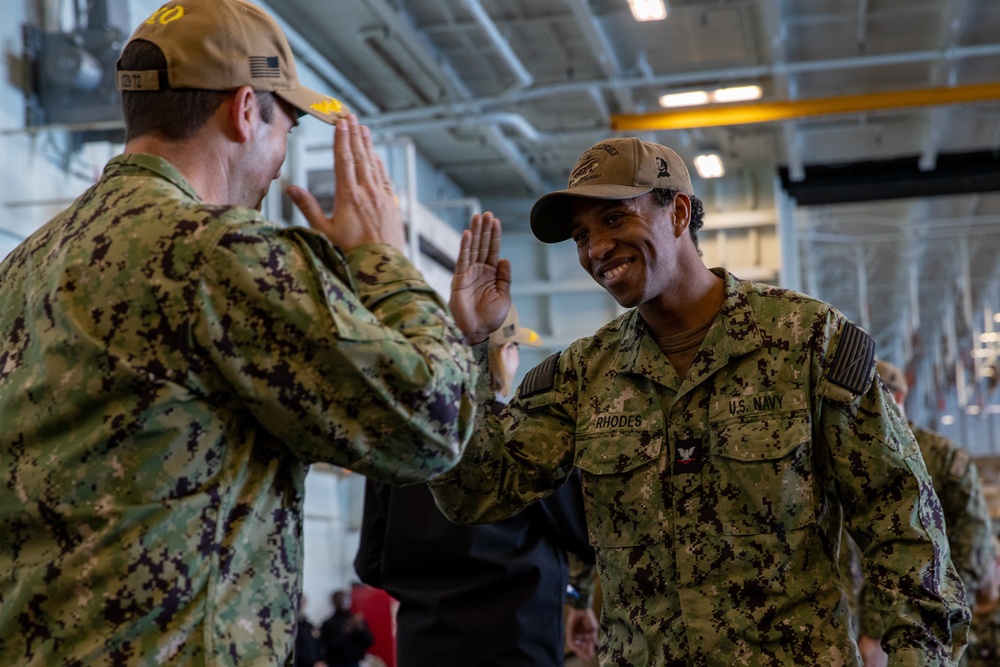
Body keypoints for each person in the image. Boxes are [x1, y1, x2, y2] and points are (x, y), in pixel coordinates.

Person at [0, 1, 477, 664]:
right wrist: (383, 264)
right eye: (284, 125)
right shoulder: (221, 254)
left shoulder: (23, 268)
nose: (281, 157)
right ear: (246, 109)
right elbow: (434, 423)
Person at [430, 136, 971, 665]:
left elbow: (903, 524)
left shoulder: (806, 341)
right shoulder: (582, 375)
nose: (594, 249)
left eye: (615, 219)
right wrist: (471, 347)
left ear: (679, 212)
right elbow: (476, 494)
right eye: (580, 235)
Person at [354, 305, 599, 666]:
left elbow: (370, 563)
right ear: (498, 353)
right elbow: (589, 531)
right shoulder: (521, 433)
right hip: (518, 643)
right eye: (513, 347)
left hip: (424, 644)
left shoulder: (394, 447)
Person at [857, 361, 995, 665]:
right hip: (861, 618)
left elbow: (975, 536)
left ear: (898, 398)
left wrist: (946, 603)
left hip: (932, 615)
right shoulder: (854, 459)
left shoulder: (941, 456)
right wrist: (869, 627)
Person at [320, 590, 374, 667]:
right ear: (334, 601)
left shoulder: (357, 620)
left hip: (355, 663)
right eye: (340, 598)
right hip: (336, 663)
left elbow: (369, 642)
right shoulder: (328, 623)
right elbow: (328, 646)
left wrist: (360, 628)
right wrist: (346, 629)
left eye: (347, 598)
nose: (344, 601)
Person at [296, 595, 328, 667]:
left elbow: (317, 646)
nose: (300, 605)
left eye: (303, 602)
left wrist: (320, 661)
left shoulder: (309, 625)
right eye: (299, 602)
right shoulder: (290, 626)